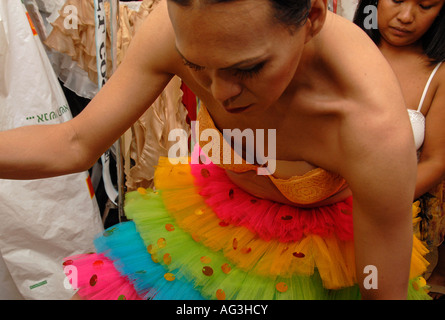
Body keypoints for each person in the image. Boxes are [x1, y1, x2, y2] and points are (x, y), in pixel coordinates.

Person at [0, 0, 431, 300]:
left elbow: (381, 291)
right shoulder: (173, 32)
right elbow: (74, 143)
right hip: (211, 220)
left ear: (313, 17)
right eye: (195, 67)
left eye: (247, 68)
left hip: (322, 263)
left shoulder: (370, 126)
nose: (220, 93)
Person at [354, 0, 445, 299]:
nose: (406, 17)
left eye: (425, 5)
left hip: (388, 220)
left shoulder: (440, 73)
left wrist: (377, 203)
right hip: (310, 212)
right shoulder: (334, 48)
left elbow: (436, 160)